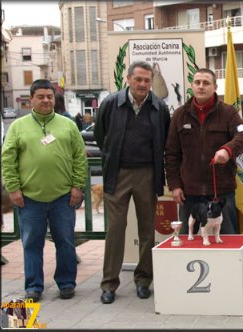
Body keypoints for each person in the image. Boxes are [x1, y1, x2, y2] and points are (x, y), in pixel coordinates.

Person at [1, 79, 87, 302]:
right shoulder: (18, 127)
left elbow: (80, 157)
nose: (46, 100)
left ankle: (67, 283)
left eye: (49, 96)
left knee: (66, 242)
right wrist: (13, 189)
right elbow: (8, 160)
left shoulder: (67, 125)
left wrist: (77, 186)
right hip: (29, 198)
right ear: (31, 100)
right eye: (40, 96)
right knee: (31, 243)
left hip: (63, 197)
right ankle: (33, 286)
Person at [94, 61, 171, 304]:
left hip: (147, 173)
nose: (142, 84)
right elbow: (99, 135)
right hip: (118, 173)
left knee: (147, 229)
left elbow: (164, 140)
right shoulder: (110, 103)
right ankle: (109, 284)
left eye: (147, 80)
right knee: (115, 229)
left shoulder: (159, 107)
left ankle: (143, 280)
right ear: (128, 79)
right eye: (138, 79)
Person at [165, 68, 243, 239]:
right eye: (197, 83)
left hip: (222, 193)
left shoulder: (228, 112)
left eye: (206, 83)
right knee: (185, 240)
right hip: (189, 193)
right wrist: (174, 185)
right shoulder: (179, 115)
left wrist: (228, 150)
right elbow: (171, 154)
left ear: (215, 87)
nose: (201, 86)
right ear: (192, 86)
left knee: (228, 240)